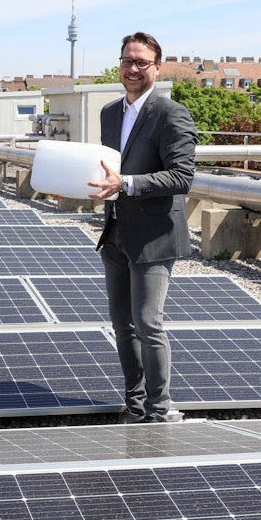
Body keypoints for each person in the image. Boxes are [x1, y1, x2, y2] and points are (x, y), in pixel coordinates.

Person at [88, 32, 198, 424]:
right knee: (122, 326)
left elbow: (182, 177)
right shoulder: (109, 113)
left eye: (141, 62)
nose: (132, 69)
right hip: (116, 232)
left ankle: (158, 409)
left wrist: (128, 185)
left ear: (157, 68)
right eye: (127, 61)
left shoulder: (170, 114)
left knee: (148, 324)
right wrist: (76, 186)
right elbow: (107, 169)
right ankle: (134, 405)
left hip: (153, 236)